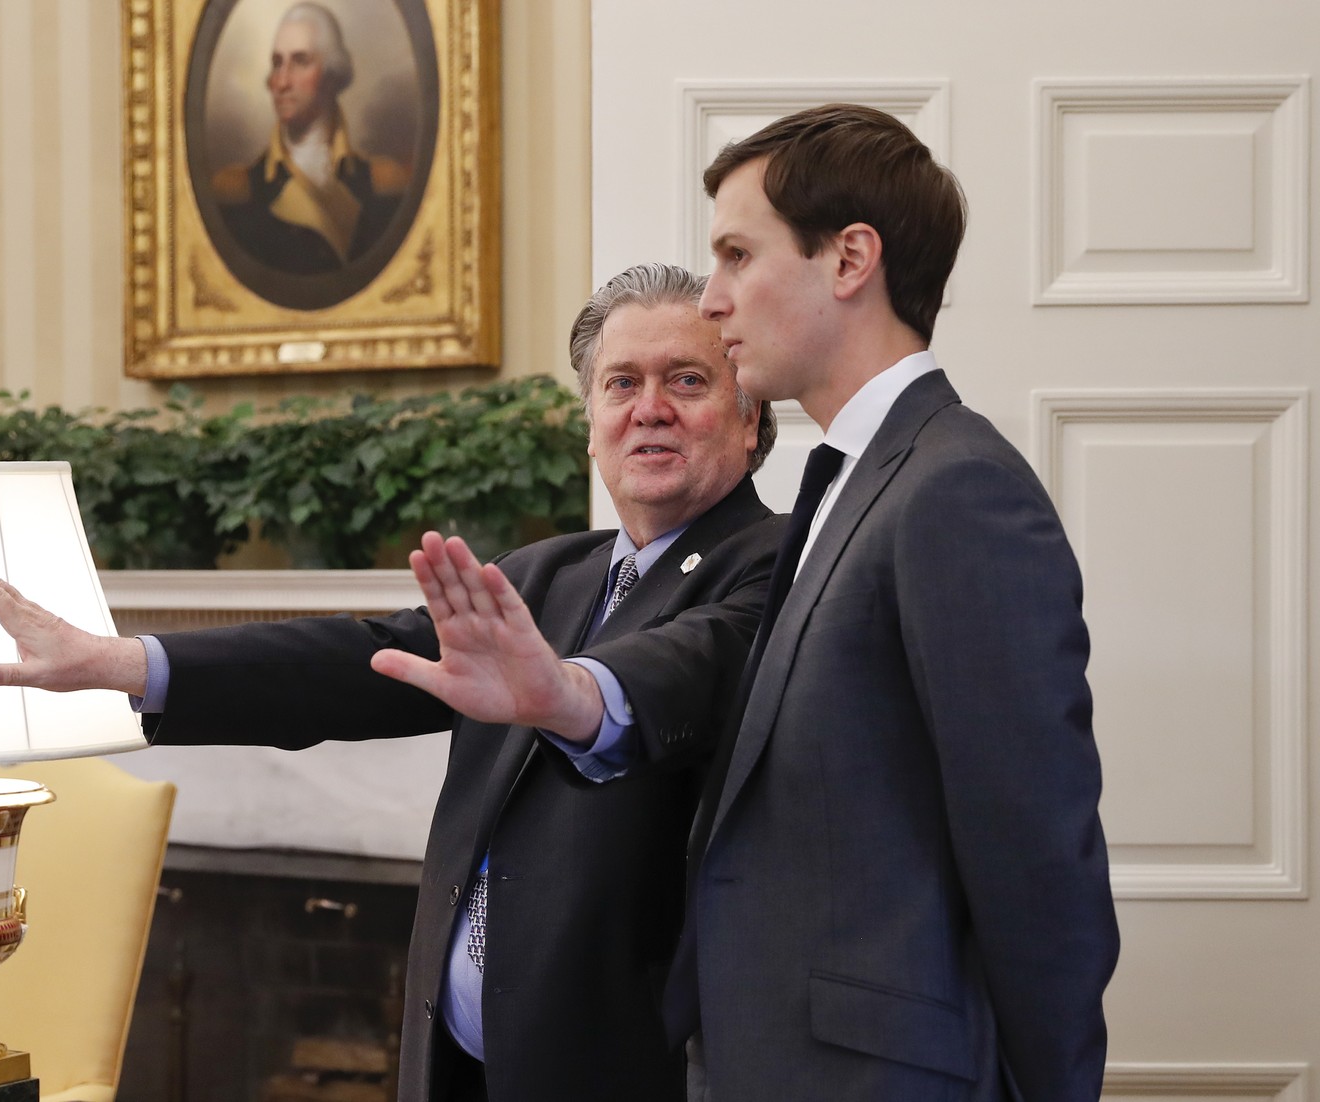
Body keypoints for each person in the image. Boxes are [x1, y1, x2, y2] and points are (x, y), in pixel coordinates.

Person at [374, 105, 1120, 1100]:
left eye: (736, 255)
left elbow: (1038, 863)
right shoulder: (849, 485)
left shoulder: (954, 488)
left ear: (850, 258)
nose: (715, 300)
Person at [0, 262, 783, 1102]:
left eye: (687, 380)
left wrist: (569, 693)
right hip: (458, 1067)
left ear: (750, 419)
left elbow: (687, 666)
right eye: (621, 384)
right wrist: (121, 663)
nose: (650, 408)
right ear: (591, 425)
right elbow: (355, 662)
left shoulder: (780, 567)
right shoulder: (549, 577)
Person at [212, 2, 409, 274]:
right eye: (277, 63)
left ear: (331, 73)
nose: (280, 82)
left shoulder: (384, 183)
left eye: (300, 62)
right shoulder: (236, 191)